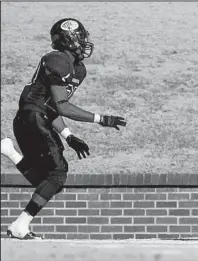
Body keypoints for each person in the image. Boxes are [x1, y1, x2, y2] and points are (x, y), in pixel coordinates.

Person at [1, 18, 127, 240]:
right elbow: (62, 105)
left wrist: (69, 136)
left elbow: (52, 108)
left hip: (34, 119)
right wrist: (101, 119)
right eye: (80, 38)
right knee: (58, 175)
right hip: (33, 118)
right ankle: (20, 226)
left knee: (49, 182)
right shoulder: (57, 60)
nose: (85, 42)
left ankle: (9, 151)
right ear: (68, 40)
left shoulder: (78, 69)